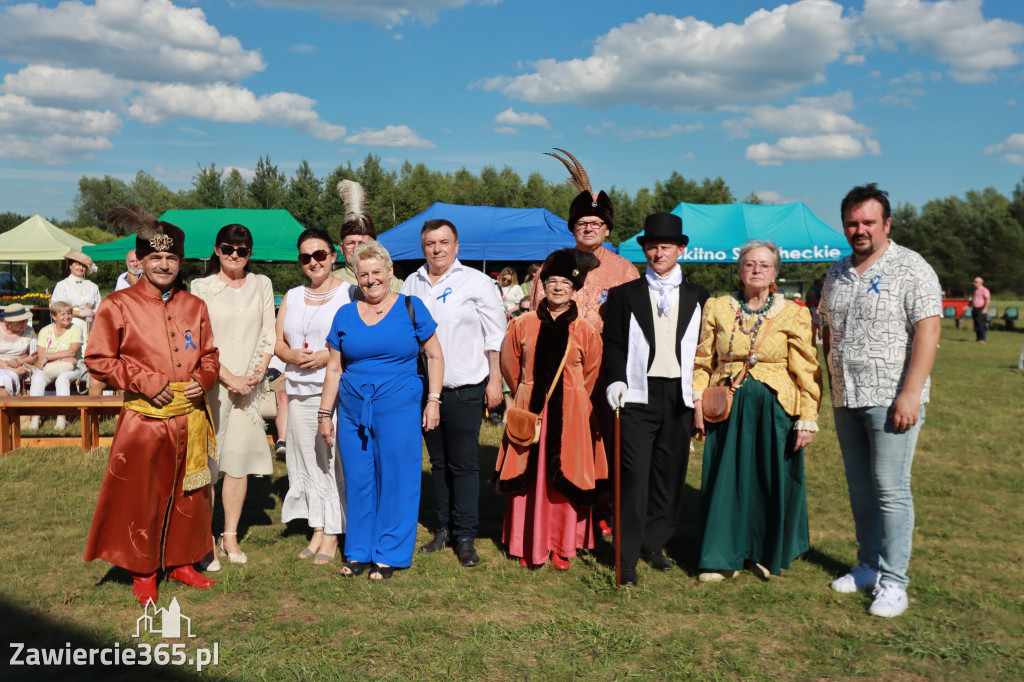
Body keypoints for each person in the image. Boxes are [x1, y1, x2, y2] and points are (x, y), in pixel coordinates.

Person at [84, 204, 219, 606]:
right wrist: (142, 381)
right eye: (155, 257)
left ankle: (181, 562)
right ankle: (142, 570)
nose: (163, 264)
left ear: (180, 262)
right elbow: (98, 360)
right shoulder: (117, 305)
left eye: (171, 258)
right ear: (141, 261)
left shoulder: (195, 307)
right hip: (144, 421)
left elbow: (210, 354)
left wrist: (203, 379)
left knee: (188, 495)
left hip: (189, 418)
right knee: (142, 496)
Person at [819, 183, 942, 618]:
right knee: (860, 489)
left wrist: (910, 393)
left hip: (891, 398)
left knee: (891, 490)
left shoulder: (912, 267)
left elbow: (928, 330)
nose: (860, 229)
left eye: (869, 222)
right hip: (846, 396)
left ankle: (894, 580)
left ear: (886, 224)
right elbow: (827, 330)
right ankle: (868, 565)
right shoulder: (836, 273)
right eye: (852, 222)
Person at [692, 240, 822, 582]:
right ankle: (722, 556)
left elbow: (807, 368)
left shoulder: (794, 312)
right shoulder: (717, 307)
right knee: (726, 479)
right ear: (739, 270)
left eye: (765, 265)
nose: (757, 270)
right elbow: (703, 359)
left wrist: (807, 417)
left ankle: (764, 552)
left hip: (776, 407)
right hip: (726, 405)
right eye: (750, 264)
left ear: (775, 272)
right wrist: (697, 402)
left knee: (768, 479)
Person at [319, 242, 444, 580]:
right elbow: (334, 368)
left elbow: (434, 356)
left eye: (377, 272)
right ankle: (359, 550)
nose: (371, 279)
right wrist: (324, 414)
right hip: (353, 410)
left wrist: (433, 400)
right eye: (364, 274)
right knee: (359, 479)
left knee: (397, 479)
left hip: (399, 407)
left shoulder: (411, 306)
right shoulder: (345, 314)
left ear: (390, 273)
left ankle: (389, 552)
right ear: (356, 278)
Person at [603, 213, 708, 586]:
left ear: (681, 249)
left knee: (669, 474)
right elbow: (613, 342)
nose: (657, 252)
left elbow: (706, 349)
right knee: (633, 475)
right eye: (651, 246)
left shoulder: (699, 297)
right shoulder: (623, 295)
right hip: (637, 393)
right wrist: (615, 379)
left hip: (679, 395)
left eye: (665, 246)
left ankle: (655, 543)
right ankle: (626, 555)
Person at [402, 219, 507, 567]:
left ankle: (466, 535)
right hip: (425, 389)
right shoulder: (410, 283)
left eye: (443, 242)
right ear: (423, 248)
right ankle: (442, 528)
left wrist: (495, 382)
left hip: (465, 387)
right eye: (430, 243)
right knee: (439, 463)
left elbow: (496, 337)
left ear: (456, 246)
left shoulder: (476, 282)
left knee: (463, 464)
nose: (437, 248)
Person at [494, 248, 606, 570]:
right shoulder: (522, 324)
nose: (557, 288)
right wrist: (526, 393)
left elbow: (591, 374)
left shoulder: (585, 330)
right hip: (530, 410)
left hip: (570, 414)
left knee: (566, 475)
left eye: (564, 283)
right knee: (527, 478)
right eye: (552, 282)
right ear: (541, 285)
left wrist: (572, 399)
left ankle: (561, 544)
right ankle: (526, 542)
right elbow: (510, 366)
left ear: (574, 289)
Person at [190, 224, 275, 567]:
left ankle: (230, 536)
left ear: (250, 253)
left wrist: (253, 377)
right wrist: (227, 377)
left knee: (237, 463)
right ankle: (203, 539)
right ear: (216, 249)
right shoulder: (201, 287)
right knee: (210, 464)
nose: (235, 256)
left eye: (242, 250)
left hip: (249, 388)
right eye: (228, 249)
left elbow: (269, 333)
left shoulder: (262, 284)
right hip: (213, 384)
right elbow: (197, 338)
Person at [276, 228, 353, 564]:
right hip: (298, 390)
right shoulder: (292, 295)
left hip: (332, 390)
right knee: (307, 460)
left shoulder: (349, 293)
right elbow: (276, 342)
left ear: (333, 255)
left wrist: (325, 357)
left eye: (320, 254)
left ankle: (334, 532)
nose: (313, 262)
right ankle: (318, 525)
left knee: (332, 461)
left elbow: (357, 339)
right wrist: (291, 356)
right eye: (306, 257)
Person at [532, 149, 639, 334]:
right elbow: (537, 315)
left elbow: (635, 322)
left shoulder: (626, 271)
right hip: (562, 355)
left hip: (607, 358)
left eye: (596, 224)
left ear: (607, 230)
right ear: (573, 229)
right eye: (582, 223)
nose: (589, 229)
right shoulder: (554, 264)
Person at [333, 179, 404, 292]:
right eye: (351, 243)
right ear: (342, 248)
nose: (356, 249)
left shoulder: (396, 285)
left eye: (363, 244)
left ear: (375, 246)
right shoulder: (330, 283)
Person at [28, 300, 86, 431]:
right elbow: (41, 356)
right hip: (52, 366)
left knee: (62, 379)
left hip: (72, 367)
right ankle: (35, 418)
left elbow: (72, 352)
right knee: (37, 379)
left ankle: (61, 418)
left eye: (69, 313)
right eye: (63, 314)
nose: (67, 317)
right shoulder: (44, 331)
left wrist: (49, 357)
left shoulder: (75, 329)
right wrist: (61, 359)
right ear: (54, 316)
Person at [51, 250, 101, 343]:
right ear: (70, 266)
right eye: (77, 264)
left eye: (83, 266)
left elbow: (98, 307)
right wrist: (79, 313)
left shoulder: (93, 286)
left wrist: (93, 313)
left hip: (90, 327)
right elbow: (56, 308)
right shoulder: (62, 285)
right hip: (70, 325)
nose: (80, 268)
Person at [0, 304, 36, 397]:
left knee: (5, 379)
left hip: (19, 366)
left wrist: (19, 361)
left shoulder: (30, 331)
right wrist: (7, 367)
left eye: (26, 320)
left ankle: (7, 408)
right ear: (9, 323)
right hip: (3, 365)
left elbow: (34, 355)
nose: (25, 323)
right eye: (21, 322)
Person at [971, 276, 991, 343]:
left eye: (976, 282)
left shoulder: (984, 290)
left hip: (981, 308)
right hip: (974, 308)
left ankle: (983, 339)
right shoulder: (975, 291)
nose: (974, 283)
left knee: (981, 324)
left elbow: (988, 300)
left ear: (980, 283)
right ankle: (978, 338)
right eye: (974, 281)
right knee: (976, 324)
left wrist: (985, 309)